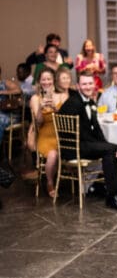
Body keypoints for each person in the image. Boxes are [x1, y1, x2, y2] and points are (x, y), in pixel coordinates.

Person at [58, 72, 117, 211]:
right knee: (109, 150)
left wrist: (106, 145)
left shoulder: (90, 102)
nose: (87, 86)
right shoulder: (72, 103)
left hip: (86, 143)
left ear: (94, 85)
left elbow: (97, 130)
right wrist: (106, 147)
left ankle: (101, 184)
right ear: (78, 86)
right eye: (84, 84)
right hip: (74, 146)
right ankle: (113, 195)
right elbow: (68, 131)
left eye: (90, 83)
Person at [29, 69, 68, 198]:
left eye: (49, 79)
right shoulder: (35, 98)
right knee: (52, 154)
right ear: (39, 81)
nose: (46, 82)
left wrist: (55, 109)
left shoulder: (63, 96)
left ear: (54, 80)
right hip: (45, 134)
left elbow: (67, 119)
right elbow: (39, 122)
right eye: (43, 79)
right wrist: (40, 108)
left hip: (62, 134)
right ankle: (50, 182)